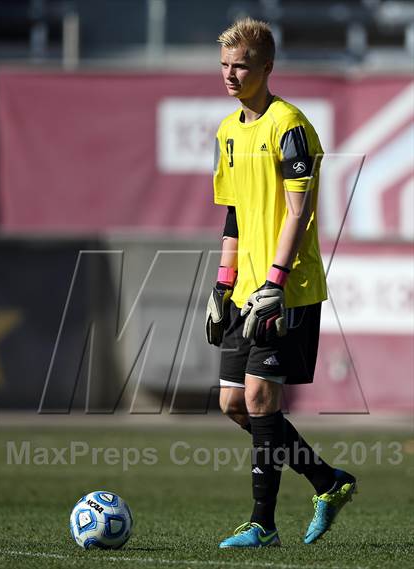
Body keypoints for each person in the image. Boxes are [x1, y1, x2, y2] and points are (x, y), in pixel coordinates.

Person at [206, 17, 356, 548]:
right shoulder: (227, 131)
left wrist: (275, 278)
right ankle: (326, 481)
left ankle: (263, 524)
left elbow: (298, 211)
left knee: (261, 397)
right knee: (233, 405)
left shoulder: (288, 124)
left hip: (284, 287)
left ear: (267, 67)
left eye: (240, 65)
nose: (230, 74)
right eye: (224, 64)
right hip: (245, 285)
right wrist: (223, 285)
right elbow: (233, 216)